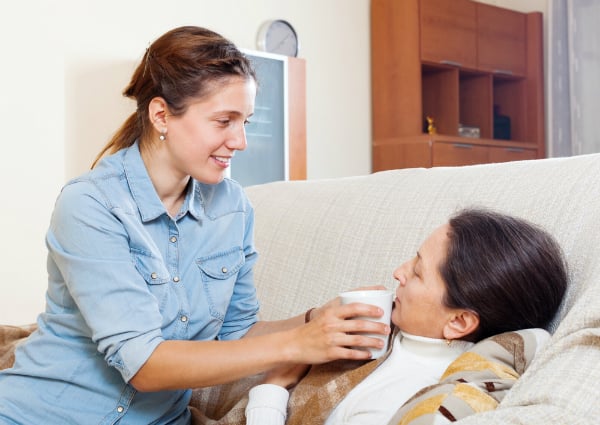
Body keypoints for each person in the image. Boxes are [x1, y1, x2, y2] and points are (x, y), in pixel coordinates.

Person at [0, 26, 389, 424]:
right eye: (224, 121)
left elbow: (238, 333)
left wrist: (317, 320)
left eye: (246, 122)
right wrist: (297, 344)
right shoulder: (90, 204)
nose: (240, 141)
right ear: (161, 115)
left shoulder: (232, 207)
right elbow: (144, 364)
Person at [245, 208, 569, 425]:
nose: (398, 272)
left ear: (458, 322)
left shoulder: (401, 397)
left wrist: (273, 386)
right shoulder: (387, 333)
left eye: (417, 272)